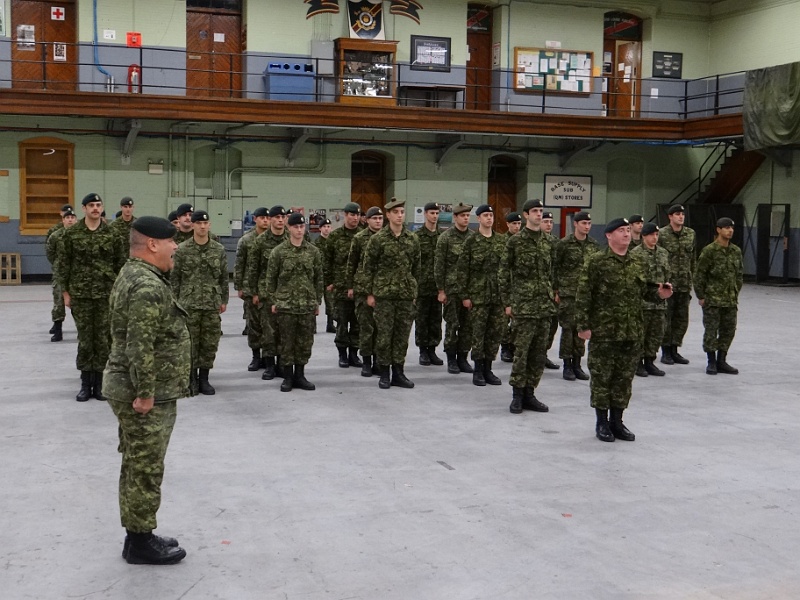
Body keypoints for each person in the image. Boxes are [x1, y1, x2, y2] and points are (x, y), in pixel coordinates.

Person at [104, 216, 190, 565]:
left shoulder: (134, 273)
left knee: (136, 462)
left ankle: (137, 535)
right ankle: (140, 542)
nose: (175, 247)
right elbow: (140, 346)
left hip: (132, 386)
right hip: (142, 393)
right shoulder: (146, 285)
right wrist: (145, 393)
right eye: (171, 241)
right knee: (146, 467)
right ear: (153, 244)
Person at [576, 218, 673, 443]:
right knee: (602, 378)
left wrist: (660, 293)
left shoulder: (637, 261)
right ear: (609, 235)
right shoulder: (597, 262)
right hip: (605, 332)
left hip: (631, 331)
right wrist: (583, 326)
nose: (627, 234)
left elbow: (645, 290)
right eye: (621, 230)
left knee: (624, 378)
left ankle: (617, 421)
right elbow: (584, 295)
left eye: (628, 230)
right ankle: (602, 422)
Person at [57, 193, 126, 402]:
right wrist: (65, 293)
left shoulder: (113, 234)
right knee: (86, 340)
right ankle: (86, 384)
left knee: (104, 340)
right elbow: (63, 265)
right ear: (84, 209)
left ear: (102, 208)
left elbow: (120, 264)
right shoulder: (71, 234)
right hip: (81, 295)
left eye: (98, 205)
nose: (95, 208)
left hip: (105, 294)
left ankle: (101, 384)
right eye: (91, 205)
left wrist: (119, 292)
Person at [499, 199, 555, 414]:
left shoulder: (549, 242)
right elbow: (504, 272)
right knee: (522, 352)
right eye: (535, 211)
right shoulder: (516, 242)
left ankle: (530, 393)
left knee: (539, 354)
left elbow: (553, 271)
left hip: (544, 306)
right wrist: (507, 302)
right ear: (525, 215)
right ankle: (517, 395)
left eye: (541, 211)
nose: (539, 214)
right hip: (523, 305)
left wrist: (553, 293)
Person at [363, 198, 421, 389]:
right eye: (395, 212)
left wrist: (414, 292)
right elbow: (368, 268)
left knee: (402, 337)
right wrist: (370, 294)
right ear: (388, 215)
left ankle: (399, 372)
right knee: (384, 336)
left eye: (402, 212)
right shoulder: (377, 239)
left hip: (405, 295)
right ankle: (384, 373)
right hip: (384, 296)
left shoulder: (412, 239)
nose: (399, 215)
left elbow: (417, 267)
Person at [171, 210, 229, 395]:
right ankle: (191, 379)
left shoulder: (218, 249)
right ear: (193, 225)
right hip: (189, 304)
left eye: (205, 223)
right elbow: (175, 278)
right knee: (190, 343)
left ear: (209, 225)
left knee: (209, 343)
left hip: (211, 303)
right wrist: (175, 302)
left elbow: (223, 277)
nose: (202, 226)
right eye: (199, 223)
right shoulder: (182, 249)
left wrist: (224, 300)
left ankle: (204, 378)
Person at [267, 212, 324, 392]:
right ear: (289, 228)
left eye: (301, 227)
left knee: (304, 342)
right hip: (286, 305)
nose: (299, 230)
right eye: (296, 227)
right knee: (286, 342)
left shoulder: (313, 251)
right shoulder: (279, 252)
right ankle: (288, 377)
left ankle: (300, 375)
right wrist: (274, 301)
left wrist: (317, 301)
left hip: (306, 304)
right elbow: (271, 279)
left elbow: (318, 279)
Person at [456, 204, 506, 386]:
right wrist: (464, 296)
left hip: (497, 297)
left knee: (495, 334)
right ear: (478, 218)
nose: (489, 218)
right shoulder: (471, 241)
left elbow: (506, 269)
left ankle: (488, 369)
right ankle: (478, 370)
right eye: (485, 215)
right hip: (478, 297)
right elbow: (462, 270)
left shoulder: (501, 241)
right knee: (478, 334)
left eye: (491, 215)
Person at [554, 210, 599, 381]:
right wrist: (556, 290)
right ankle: (567, 365)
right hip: (568, 293)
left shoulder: (593, 245)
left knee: (582, 328)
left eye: (589, 223)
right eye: (583, 223)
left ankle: (577, 364)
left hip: (586, 294)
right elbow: (555, 267)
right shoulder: (564, 244)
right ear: (575, 224)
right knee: (568, 329)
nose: (587, 226)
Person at [694, 217, 743, 375]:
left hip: (730, 300)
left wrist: (735, 291)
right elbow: (699, 275)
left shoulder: (735, 251)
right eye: (726, 228)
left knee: (729, 330)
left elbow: (739, 275)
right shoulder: (709, 251)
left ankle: (722, 360)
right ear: (718, 230)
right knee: (711, 331)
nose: (730, 230)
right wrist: (701, 296)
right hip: (712, 300)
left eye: (731, 228)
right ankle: (711, 361)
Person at [246, 205, 289, 380]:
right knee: (269, 331)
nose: (280, 220)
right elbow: (253, 269)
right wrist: (254, 293)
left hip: (287, 293)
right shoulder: (260, 241)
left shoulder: (291, 238)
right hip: (267, 293)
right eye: (276, 217)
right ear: (270, 219)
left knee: (285, 331)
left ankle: (282, 364)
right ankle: (269, 365)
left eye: (282, 217)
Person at [322, 202, 363, 369]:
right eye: (352, 215)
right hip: (340, 286)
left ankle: (354, 353)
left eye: (357, 215)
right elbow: (327, 261)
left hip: (359, 286)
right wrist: (329, 281)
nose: (355, 218)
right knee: (342, 322)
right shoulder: (335, 236)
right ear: (345, 215)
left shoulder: (363, 235)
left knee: (357, 323)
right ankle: (342, 354)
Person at [435, 202, 474, 374]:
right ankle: (451, 358)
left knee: (468, 326)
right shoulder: (446, 238)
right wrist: (441, 290)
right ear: (455, 217)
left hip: (470, 290)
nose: (466, 218)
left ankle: (463, 358)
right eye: (462, 215)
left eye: (468, 215)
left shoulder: (473, 237)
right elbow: (439, 265)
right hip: (451, 289)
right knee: (452, 325)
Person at [346, 207, 384, 376]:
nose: (378, 221)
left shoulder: (387, 237)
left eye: (380, 218)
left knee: (380, 328)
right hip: (363, 289)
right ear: (367, 220)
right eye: (374, 218)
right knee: (366, 328)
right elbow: (352, 264)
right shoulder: (359, 238)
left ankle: (378, 361)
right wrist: (350, 286)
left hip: (383, 289)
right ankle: (366, 362)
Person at [630, 223, 671, 377]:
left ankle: (650, 361)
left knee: (656, 333)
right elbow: (635, 277)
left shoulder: (663, 253)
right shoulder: (635, 253)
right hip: (643, 302)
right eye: (651, 235)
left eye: (656, 235)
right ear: (644, 236)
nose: (654, 238)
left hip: (659, 302)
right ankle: (638, 363)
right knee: (641, 334)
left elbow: (667, 273)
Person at [658, 204, 696, 365]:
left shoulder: (690, 234)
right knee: (666, 318)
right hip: (669, 284)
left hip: (684, 283)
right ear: (670, 217)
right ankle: (666, 351)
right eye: (677, 214)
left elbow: (693, 258)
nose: (681, 217)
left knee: (681, 319)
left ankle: (675, 349)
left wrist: (692, 278)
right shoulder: (662, 234)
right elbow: (658, 258)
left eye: (682, 214)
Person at [234, 207, 269, 371]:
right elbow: (239, 264)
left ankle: (268, 357)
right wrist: (239, 286)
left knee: (270, 326)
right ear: (255, 219)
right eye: (262, 218)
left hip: (269, 289)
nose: (265, 221)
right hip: (250, 287)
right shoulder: (246, 240)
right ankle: (256, 357)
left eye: (267, 218)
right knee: (254, 325)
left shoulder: (274, 239)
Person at [414, 202, 444, 367]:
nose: (434, 216)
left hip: (437, 286)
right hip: (422, 286)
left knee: (435, 320)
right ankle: (423, 351)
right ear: (425, 214)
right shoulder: (417, 236)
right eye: (432, 213)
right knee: (421, 319)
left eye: (436, 213)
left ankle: (432, 349)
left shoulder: (442, 236)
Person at [45, 208, 77, 342]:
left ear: (76, 220)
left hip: (76, 274)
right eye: (67, 217)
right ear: (63, 220)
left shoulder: (80, 235)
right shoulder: (55, 236)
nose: (70, 220)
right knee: (59, 302)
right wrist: (58, 264)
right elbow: (50, 253)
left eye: (72, 218)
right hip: (59, 274)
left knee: (78, 303)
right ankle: (58, 330)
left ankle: (82, 330)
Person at [500, 211, 521, 363]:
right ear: (508, 224)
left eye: (519, 223)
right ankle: (505, 347)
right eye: (514, 223)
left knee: (518, 321)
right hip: (506, 285)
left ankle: (514, 347)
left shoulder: (522, 241)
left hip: (519, 287)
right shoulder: (502, 242)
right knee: (504, 320)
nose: (517, 226)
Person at [540, 210, 561, 370]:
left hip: (552, 290)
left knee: (552, 324)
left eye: (550, 222)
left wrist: (557, 289)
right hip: (536, 291)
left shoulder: (556, 243)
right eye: (545, 221)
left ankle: (543, 353)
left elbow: (559, 267)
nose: (548, 225)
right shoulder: (534, 241)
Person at [313, 218, 337, 333]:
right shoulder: (316, 243)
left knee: (330, 301)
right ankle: (313, 325)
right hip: (318, 276)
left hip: (329, 277)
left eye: (328, 227)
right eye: (324, 227)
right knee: (315, 301)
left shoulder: (333, 243)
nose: (327, 229)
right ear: (320, 229)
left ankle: (330, 323)